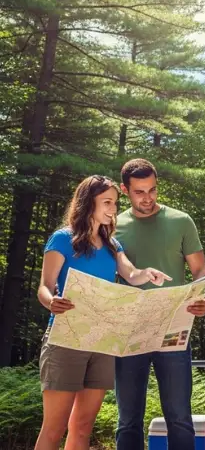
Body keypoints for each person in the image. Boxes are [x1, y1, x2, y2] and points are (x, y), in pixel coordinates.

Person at [36, 175, 171, 450]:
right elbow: (44, 287)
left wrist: (146, 273)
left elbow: (131, 273)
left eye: (115, 202)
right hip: (66, 338)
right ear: (88, 203)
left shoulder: (112, 245)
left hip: (102, 340)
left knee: (83, 426)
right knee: (54, 428)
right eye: (107, 202)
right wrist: (51, 301)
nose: (113, 208)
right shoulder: (63, 239)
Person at [113, 158, 205, 450]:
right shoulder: (113, 226)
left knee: (180, 417)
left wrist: (200, 297)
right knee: (128, 420)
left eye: (152, 190)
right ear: (125, 190)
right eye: (140, 192)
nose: (148, 197)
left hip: (173, 329)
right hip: (129, 330)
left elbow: (200, 270)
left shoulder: (181, 221)